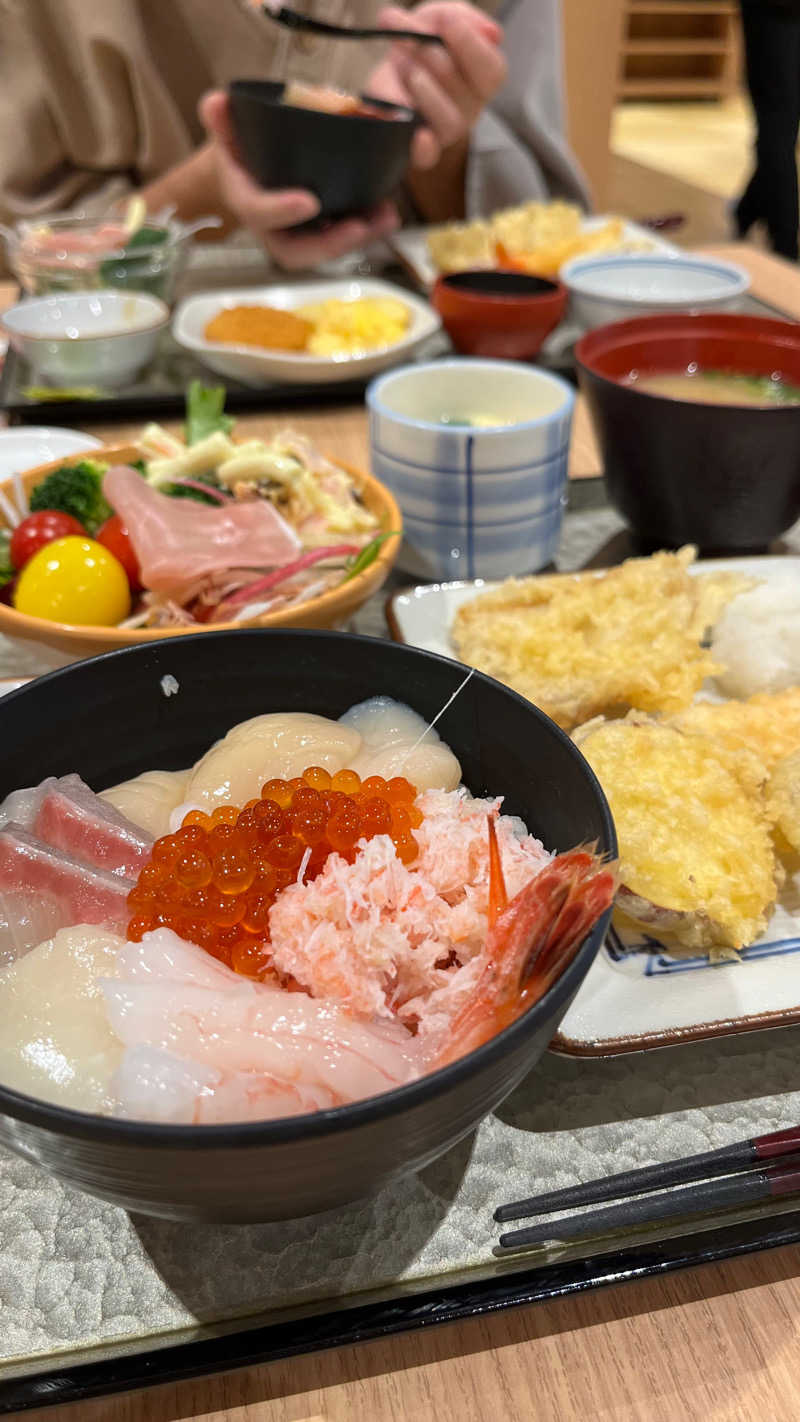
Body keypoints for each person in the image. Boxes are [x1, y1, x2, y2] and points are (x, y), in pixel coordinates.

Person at [0, 0, 588, 274]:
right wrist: (208, 187)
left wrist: (436, 135)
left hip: (434, 389)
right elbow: (24, 265)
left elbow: (544, 242)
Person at [735, 0, 800, 261]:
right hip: (777, 11)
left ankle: (749, 211)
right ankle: (785, 243)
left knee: (783, 123)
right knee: (779, 125)